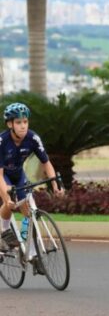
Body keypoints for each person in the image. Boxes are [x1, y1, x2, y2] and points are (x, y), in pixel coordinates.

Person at [0, 102, 64, 274]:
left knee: (29, 212)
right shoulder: (2, 141)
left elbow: (46, 162)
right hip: (2, 176)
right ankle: (4, 231)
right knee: (9, 202)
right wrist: (7, 198)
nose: (23, 126)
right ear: (10, 124)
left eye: (25, 122)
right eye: (18, 122)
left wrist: (55, 185)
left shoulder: (33, 138)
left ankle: (31, 254)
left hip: (18, 174)